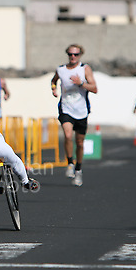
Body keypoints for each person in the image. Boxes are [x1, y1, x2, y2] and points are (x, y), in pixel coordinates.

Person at [50, 44, 97, 187]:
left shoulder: (85, 69)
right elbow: (54, 80)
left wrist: (81, 83)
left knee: (80, 143)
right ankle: (70, 162)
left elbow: (94, 88)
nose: (73, 57)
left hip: (81, 110)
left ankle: (78, 169)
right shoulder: (61, 69)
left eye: (76, 54)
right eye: (70, 54)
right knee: (68, 135)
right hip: (66, 108)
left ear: (80, 55)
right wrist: (53, 89)